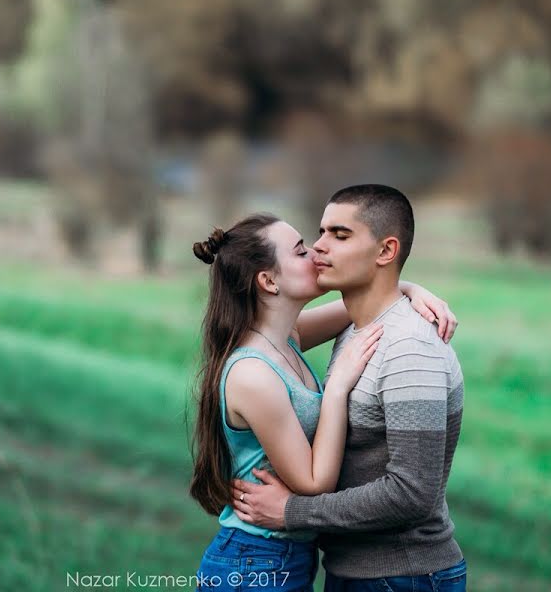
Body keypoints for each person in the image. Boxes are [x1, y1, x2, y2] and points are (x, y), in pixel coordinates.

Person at [189, 210, 458, 591]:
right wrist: (336, 389)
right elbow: (314, 483)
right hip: (254, 563)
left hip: (282, 558)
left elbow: (369, 303)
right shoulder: (254, 374)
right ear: (268, 280)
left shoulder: (286, 340)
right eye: (300, 251)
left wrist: (414, 290)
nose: (316, 251)